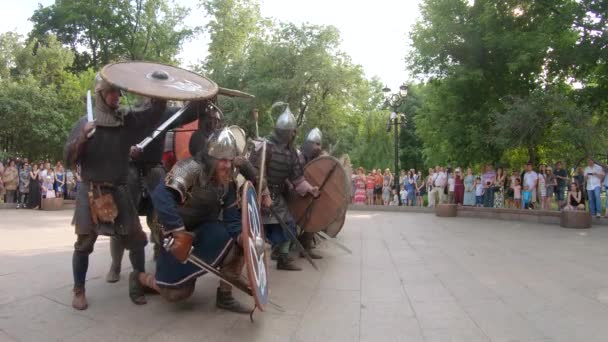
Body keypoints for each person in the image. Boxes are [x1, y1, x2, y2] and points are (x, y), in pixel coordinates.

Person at [63, 73, 167, 310]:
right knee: (84, 244)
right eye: (111, 92)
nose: (117, 97)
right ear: (100, 94)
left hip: (120, 189)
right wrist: (82, 139)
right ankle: (78, 289)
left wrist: (159, 94)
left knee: (138, 240)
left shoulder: (125, 122)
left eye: (119, 92)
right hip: (92, 191)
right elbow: (68, 158)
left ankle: (139, 283)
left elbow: (150, 118)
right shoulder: (83, 123)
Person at [130, 128, 255, 313]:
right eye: (222, 159)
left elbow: (231, 219)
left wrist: (241, 237)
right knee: (177, 294)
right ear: (211, 157)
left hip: (203, 227)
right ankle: (140, 278)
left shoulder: (228, 181)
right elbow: (161, 196)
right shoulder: (190, 168)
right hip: (171, 229)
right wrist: (178, 231)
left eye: (230, 160)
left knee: (237, 244)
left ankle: (225, 296)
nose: (227, 165)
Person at [105, 100, 203, 283]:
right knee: (122, 221)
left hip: (155, 170)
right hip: (130, 170)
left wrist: (202, 100)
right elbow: (112, 138)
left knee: (161, 217)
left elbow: (192, 113)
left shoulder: (167, 114)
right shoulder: (129, 114)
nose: (160, 101)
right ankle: (115, 264)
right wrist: (126, 150)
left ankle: (159, 252)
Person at [248, 106, 319, 271]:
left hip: (277, 195)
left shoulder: (291, 152)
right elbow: (255, 173)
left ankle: (283, 259)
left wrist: (310, 189)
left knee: (289, 225)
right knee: (257, 231)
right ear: (282, 132)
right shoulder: (264, 147)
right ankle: (257, 260)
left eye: (294, 132)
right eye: (290, 132)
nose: (293, 135)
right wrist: (264, 194)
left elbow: (297, 178)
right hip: (259, 194)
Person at [296, 127, 325, 260]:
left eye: (319, 144)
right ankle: (279, 251)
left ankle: (305, 246)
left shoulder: (318, 161)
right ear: (308, 144)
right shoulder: (299, 158)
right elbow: (293, 177)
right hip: (295, 193)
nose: (317, 147)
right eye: (315, 144)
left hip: (310, 194)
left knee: (315, 215)